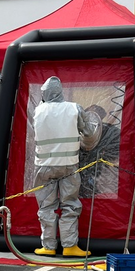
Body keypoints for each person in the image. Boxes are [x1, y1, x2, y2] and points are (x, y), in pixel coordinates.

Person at [32, 76, 100, 257]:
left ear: (44, 93)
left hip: (44, 166)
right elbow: (89, 133)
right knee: (70, 204)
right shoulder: (74, 108)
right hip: (69, 165)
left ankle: (48, 246)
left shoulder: (37, 111)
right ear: (60, 92)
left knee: (46, 206)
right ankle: (70, 246)